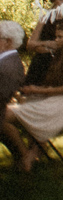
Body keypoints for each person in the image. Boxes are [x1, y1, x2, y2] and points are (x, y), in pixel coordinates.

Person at [4, 14, 63, 172]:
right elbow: (32, 46)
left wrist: (36, 90)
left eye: (60, 37)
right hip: (50, 96)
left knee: (3, 115)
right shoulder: (61, 53)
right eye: (56, 36)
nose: (56, 40)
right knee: (6, 113)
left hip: (60, 103)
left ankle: (25, 155)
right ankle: (26, 154)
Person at [24, 0, 63, 87]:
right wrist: (46, 44)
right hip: (39, 65)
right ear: (55, 0)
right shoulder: (45, 17)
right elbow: (30, 44)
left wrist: (40, 48)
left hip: (58, 66)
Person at [0, 19, 31, 165]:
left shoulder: (9, 66)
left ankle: (23, 158)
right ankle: (22, 157)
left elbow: (2, 96)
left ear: (7, 41)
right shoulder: (7, 60)